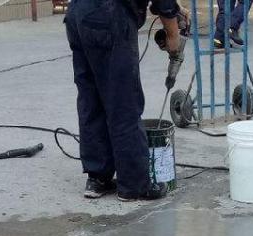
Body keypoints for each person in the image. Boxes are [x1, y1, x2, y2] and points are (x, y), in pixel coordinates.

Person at [65, 0, 183, 201]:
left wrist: (176, 8)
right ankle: (133, 185)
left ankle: (98, 178)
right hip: (109, 18)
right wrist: (173, 34)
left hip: (78, 16)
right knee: (123, 101)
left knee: (91, 99)